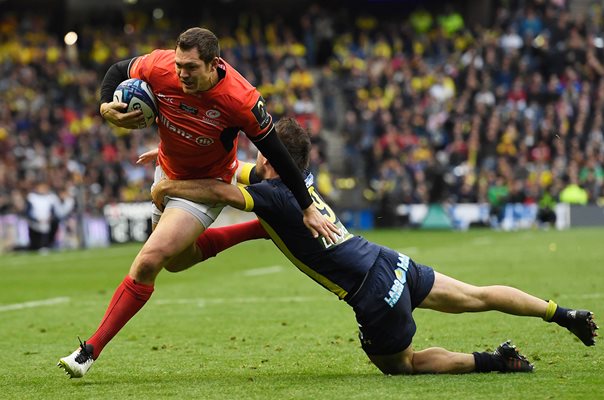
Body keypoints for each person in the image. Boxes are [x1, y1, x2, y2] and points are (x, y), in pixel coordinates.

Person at [149, 118, 598, 375]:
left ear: (270, 158)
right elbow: (235, 170)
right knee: (477, 295)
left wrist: (168, 183)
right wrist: (177, 158)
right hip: (390, 260)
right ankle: (563, 314)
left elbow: (223, 190)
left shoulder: (274, 196)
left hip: (372, 292)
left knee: (401, 366)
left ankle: (497, 362)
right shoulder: (299, 182)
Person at [58, 27, 338, 378]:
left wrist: (307, 206)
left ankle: (88, 352)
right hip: (167, 169)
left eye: (191, 67)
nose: (182, 74)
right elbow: (117, 71)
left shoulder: (240, 99)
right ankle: (257, 230)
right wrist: (104, 107)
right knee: (176, 262)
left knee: (149, 262)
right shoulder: (160, 66)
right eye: (179, 65)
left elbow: (278, 155)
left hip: (205, 185)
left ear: (214, 65)